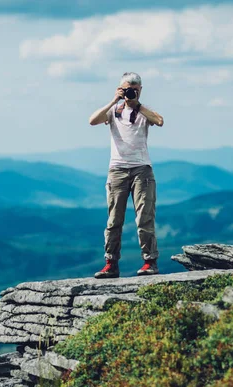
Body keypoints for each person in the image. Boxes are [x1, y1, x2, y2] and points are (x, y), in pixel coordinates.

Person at [88, 72, 164, 279]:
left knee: (144, 217)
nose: (131, 92)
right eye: (127, 89)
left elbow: (159, 120)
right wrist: (114, 100)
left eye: (135, 89)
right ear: (120, 89)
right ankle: (110, 263)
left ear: (140, 90)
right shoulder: (114, 111)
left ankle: (150, 262)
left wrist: (136, 104)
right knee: (114, 219)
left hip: (142, 169)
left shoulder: (143, 111)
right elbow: (92, 120)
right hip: (117, 169)